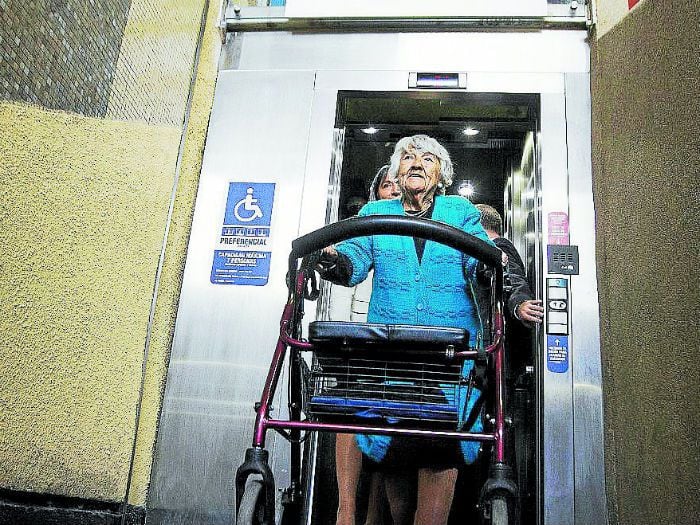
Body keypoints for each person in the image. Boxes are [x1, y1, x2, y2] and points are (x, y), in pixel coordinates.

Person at [320, 135, 493, 525]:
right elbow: (354, 261)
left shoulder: (460, 211)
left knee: (436, 473)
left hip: (447, 365)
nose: (417, 163)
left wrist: (486, 272)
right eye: (409, 157)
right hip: (391, 364)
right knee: (396, 481)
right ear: (397, 171)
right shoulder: (377, 211)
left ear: (441, 174)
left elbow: (479, 259)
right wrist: (333, 259)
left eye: (428, 158)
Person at [332, 165, 399, 525]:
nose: (391, 190)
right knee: (352, 410)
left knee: (388, 426)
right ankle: (346, 509)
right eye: (385, 185)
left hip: (402, 338)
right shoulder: (362, 229)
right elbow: (345, 267)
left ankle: (374, 514)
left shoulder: (418, 231)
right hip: (360, 332)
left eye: (396, 185)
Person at [474, 204, 543, 325]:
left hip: (488, 332)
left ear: (476, 225)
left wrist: (520, 304)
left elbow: (513, 279)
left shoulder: (498, 247)